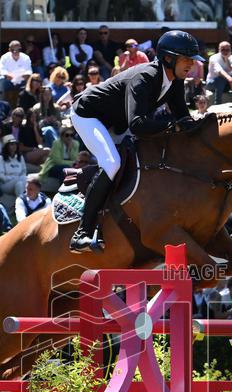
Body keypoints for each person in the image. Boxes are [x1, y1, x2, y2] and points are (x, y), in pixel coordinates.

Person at [67, 30, 206, 252]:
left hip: (118, 122)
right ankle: (82, 232)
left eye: (193, 60)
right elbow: (138, 125)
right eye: (187, 59)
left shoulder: (175, 81)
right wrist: (175, 125)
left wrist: (203, 127)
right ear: (169, 58)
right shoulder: (145, 77)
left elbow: (182, 118)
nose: (192, 64)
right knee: (112, 163)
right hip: (89, 115)